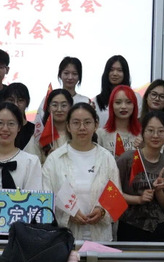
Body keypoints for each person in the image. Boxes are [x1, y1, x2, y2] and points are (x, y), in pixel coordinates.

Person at [42, 103, 121, 241]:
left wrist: (102, 211)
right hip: (63, 239)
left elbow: (116, 196)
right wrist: (67, 214)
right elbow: (45, 198)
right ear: (68, 126)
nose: (82, 127)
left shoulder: (106, 158)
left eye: (87, 122)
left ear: (96, 125)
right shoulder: (54, 159)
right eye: (76, 123)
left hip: (100, 238)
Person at [116, 111, 164, 241]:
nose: (155, 135)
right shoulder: (127, 159)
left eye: (161, 131)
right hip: (128, 225)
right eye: (150, 130)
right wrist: (139, 199)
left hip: (157, 227)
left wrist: (159, 191)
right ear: (143, 132)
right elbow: (114, 193)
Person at [33, 56, 90, 131]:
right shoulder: (50, 98)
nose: (70, 77)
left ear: (79, 76)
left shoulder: (85, 101)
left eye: (74, 74)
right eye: (66, 73)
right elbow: (39, 122)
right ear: (60, 75)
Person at [25, 89, 73, 165]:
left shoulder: (76, 132)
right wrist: (48, 162)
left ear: (70, 107)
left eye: (64, 105)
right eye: (54, 105)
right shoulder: (40, 134)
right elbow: (30, 165)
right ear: (48, 108)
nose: (59, 109)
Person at [91, 55, 141, 127]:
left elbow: (138, 123)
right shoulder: (97, 100)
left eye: (119, 70)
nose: (115, 74)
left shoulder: (135, 97)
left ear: (125, 73)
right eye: (111, 70)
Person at [97, 85, 142, 157]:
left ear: (134, 105)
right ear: (111, 105)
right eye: (118, 102)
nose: (123, 106)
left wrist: (144, 149)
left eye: (128, 102)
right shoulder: (100, 134)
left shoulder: (142, 134)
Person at [3, 82, 36, 149]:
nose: (15, 104)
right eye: (11, 100)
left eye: (20, 100)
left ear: (27, 103)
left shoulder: (35, 130)